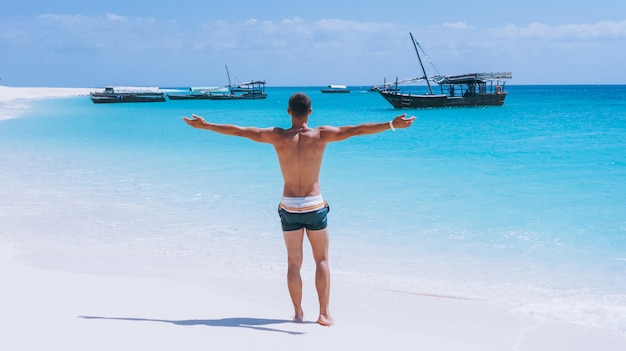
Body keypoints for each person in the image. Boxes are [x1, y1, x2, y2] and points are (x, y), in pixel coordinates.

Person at [183, 92, 415, 326]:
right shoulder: (321, 134)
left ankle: (297, 313)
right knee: (322, 260)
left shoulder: (277, 136)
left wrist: (206, 126)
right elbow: (357, 130)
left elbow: (240, 131)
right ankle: (323, 314)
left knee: (294, 262)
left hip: (290, 206)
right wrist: (391, 125)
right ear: (310, 112)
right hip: (315, 206)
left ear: (289, 112)